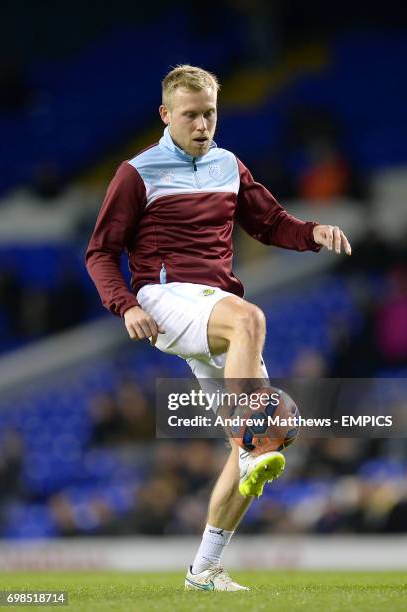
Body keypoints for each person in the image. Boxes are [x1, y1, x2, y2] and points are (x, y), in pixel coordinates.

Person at [86, 65, 352, 591]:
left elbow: (270, 223)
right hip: (163, 297)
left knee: (263, 438)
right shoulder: (137, 172)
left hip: (212, 306)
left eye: (210, 112)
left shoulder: (229, 165)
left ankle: (203, 568)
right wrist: (124, 305)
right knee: (250, 319)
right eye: (191, 114)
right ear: (165, 115)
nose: (203, 123)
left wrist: (314, 230)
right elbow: (100, 252)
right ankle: (250, 439)